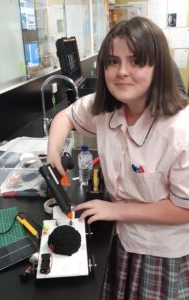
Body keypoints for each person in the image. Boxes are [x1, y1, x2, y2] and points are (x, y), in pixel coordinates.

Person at [47, 16, 189, 299]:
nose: (122, 71)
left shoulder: (180, 130)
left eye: (135, 61)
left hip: (158, 251)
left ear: (158, 67)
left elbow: (184, 209)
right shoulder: (106, 108)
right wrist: (53, 152)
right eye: (112, 61)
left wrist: (115, 210)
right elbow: (65, 116)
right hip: (119, 238)